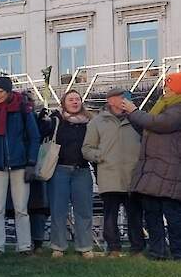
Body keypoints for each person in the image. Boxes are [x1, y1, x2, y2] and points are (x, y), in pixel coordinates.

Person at [0, 77, 40, 256]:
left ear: (8, 92)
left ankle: (25, 246)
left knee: (21, 208)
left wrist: (31, 163)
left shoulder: (22, 110)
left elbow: (34, 137)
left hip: (20, 164)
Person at [121, 72, 181, 260]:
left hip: (170, 169)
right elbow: (147, 126)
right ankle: (158, 252)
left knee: (173, 216)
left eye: (169, 86)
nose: (166, 90)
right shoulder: (162, 106)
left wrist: (134, 111)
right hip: (153, 170)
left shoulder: (177, 109)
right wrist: (132, 114)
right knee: (152, 213)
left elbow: (158, 123)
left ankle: (178, 253)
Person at [81, 87, 145, 257]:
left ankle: (137, 249)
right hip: (109, 175)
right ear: (110, 101)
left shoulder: (137, 119)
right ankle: (114, 249)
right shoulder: (97, 122)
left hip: (133, 175)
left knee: (135, 214)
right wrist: (100, 156)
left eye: (127, 96)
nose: (126, 99)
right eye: (122, 97)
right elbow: (86, 149)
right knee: (110, 214)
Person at [43, 90, 95, 258]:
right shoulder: (56, 121)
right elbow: (43, 132)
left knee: (84, 210)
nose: (75, 102)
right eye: (71, 99)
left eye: (77, 99)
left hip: (82, 170)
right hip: (60, 170)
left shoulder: (90, 122)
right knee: (58, 210)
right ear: (64, 103)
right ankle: (58, 246)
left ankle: (85, 246)